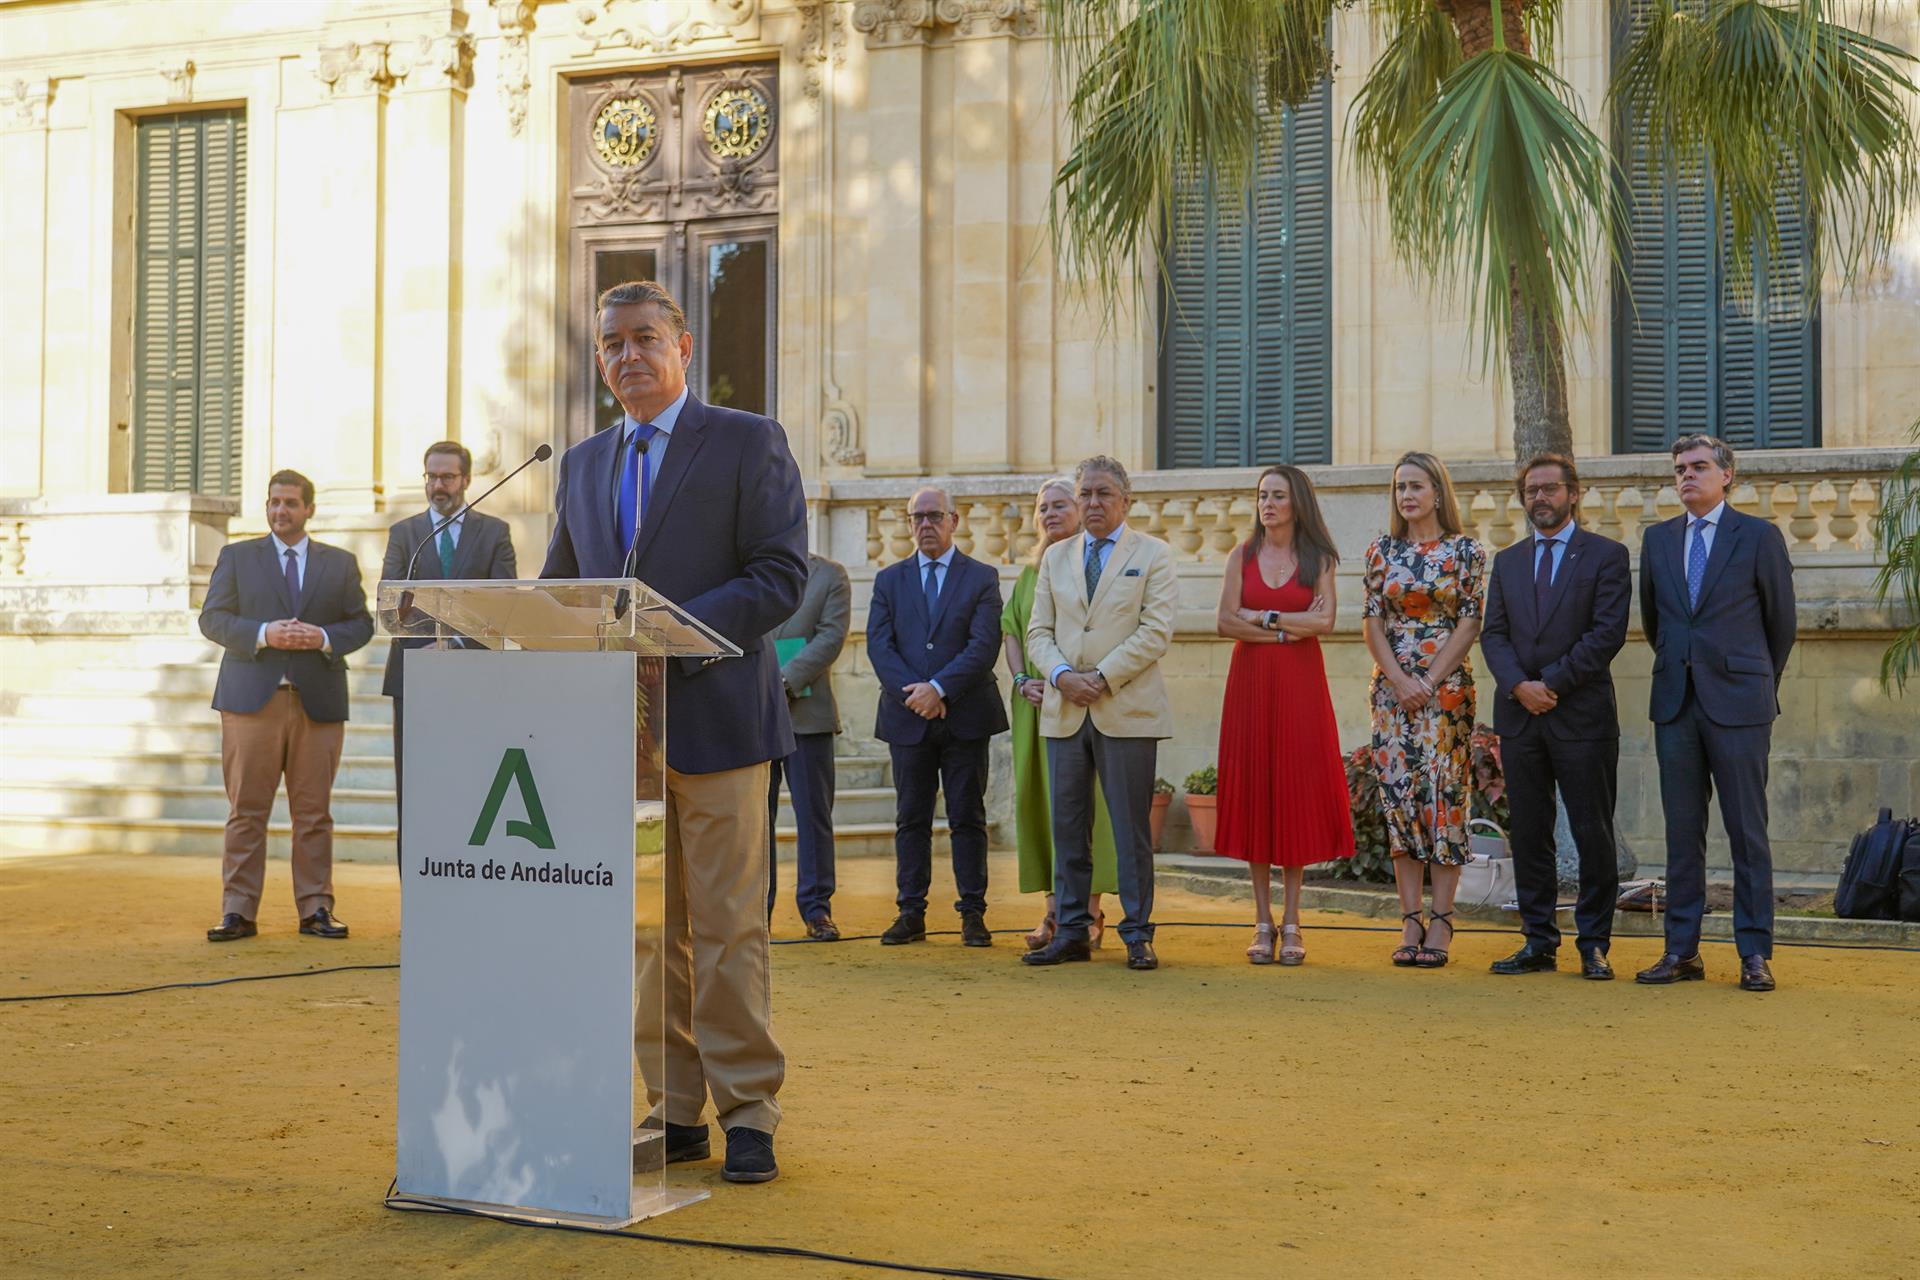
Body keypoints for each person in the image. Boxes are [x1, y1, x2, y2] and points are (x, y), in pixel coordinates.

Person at [542, 280, 806, 1183]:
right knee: (652, 935)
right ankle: (675, 1109)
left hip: (722, 722)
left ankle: (750, 1112)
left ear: (684, 347)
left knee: (731, 928)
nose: (627, 356)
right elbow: (562, 595)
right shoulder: (580, 465)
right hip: (628, 741)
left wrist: (667, 631)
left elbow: (781, 577)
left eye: (645, 339)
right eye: (612, 344)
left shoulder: (745, 441)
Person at [1635, 434, 1795, 993]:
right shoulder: (1656, 541)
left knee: (1748, 832)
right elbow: (1657, 625)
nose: (1686, 476)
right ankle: (1681, 951)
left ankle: (1754, 953)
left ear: (1727, 474)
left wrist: (1754, 683)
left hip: (1741, 705)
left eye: (1699, 467)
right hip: (1676, 703)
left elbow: (1781, 624)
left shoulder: (1758, 537)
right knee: (1683, 834)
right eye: (1679, 468)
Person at [198, 470, 374, 943]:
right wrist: (262, 634)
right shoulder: (237, 557)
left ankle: (316, 908)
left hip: (318, 703)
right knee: (246, 811)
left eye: (291, 503)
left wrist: (322, 637)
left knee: (314, 814)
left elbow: (361, 624)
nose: (280, 511)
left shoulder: (339, 564)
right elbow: (212, 619)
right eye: (274, 502)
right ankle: (237, 911)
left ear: (309, 509)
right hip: (251, 702)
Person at [1023, 456, 1178, 972]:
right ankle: (1069, 931)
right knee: (1067, 826)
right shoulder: (1055, 558)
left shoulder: (1154, 555)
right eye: (1085, 493)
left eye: (1104, 493)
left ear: (1126, 501)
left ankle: (1137, 933)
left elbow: (1155, 631)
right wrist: (1064, 676)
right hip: (1064, 708)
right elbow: (1037, 633)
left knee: (1131, 827)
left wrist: (1103, 677)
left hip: (1126, 709)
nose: (1092, 502)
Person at [1480, 453, 1631, 981]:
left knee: (1593, 832)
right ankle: (1538, 940)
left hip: (1581, 715)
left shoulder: (1607, 556)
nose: (1539, 498)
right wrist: (1520, 687)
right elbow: (1492, 635)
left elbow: (1606, 634)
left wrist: (1553, 685)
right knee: (1530, 832)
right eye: (1530, 491)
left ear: (1573, 493)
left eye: (1549, 489)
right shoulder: (1508, 561)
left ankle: (1593, 943)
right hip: (1520, 717)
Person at [1213, 465, 1353, 965]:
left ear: (1298, 504)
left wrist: (1265, 616)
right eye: (1262, 495)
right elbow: (1227, 621)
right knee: (1255, 792)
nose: (1267, 504)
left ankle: (1293, 921)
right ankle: (1262, 921)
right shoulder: (1241, 555)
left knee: (1293, 791)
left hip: (1300, 686)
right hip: (1251, 683)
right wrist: (1283, 630)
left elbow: (1327, 621)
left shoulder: (1319, 558)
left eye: (1277, 496)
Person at [866, 487, 1009, 948]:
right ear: (909, 524)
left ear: (955, 520)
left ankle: (973, 914)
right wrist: (917, 695)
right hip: (908, 717)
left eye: (935, 516)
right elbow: (880, 646)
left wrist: (940, 688)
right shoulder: (888, 581)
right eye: (917, 517)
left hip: (965, 715)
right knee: (911, 818)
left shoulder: (982, 577)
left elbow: (984, 645)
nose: (926, 525)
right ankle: (911, 912)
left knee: (968, 816)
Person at [1362, 451, 1486, 970]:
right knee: (1402, 799)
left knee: (1443, 797)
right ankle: (1409, 918)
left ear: (1438, 491)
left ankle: (1441, 919)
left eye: (1416, 485)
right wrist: (1398, 680)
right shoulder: (1379, 551)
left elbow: (1471, 622)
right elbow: (1371, 623)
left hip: (1446, 694)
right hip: (1392, 698)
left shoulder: (1466, 552)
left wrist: (1428, 681)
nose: (1407, 495)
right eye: (1399, 487)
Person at [379, 440, 518, 875]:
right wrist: (426, 645)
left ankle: (468, 888)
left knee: (473, 788)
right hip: (414, 679)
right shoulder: (404, 534)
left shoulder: (494, 532)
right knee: (416, 791)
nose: (438, 486)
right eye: (431, 477)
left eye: (447, 477)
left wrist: (456, 645)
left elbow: (504, 604)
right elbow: (389, 600)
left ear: (466, 480)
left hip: (475, 680)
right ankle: (416, 900)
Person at [1003, 479, 1116, 951]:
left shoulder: (1093, 566)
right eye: (1042, 507)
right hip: (1037, 706)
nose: (1050, 514)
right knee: (1043, 803)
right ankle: (1053, 909)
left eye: (1060, 505)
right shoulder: (1031, 572)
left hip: (1089, 702)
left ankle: (1088, 911)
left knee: (1088, 806)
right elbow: (1011, 629)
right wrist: (1020, 680)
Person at [766, 552, 851, 940]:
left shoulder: (830, 575)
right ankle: (755, 911)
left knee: (814, 817)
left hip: (808, 716)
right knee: (754, 822)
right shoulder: (749, 570)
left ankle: (817, 910)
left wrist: (783, 682)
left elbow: (831, 637)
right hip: (757, 716)